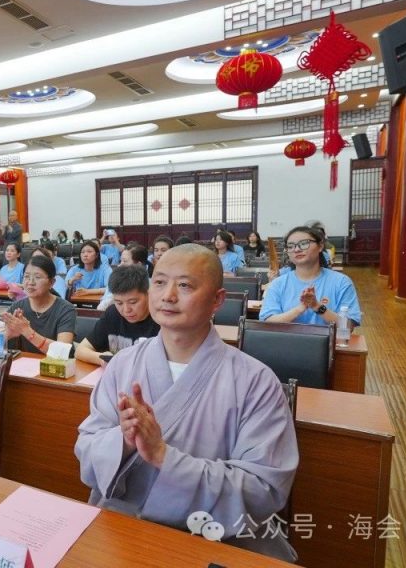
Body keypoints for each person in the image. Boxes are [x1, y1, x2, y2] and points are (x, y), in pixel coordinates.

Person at [75, 244, 299, 561]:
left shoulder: (256, 382)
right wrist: (122, 442)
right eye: (159, 282)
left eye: (184, 285)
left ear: (217, 300)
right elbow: (87, 447)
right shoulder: (122, 365)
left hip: (213, 539)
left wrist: (164, 456)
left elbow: (263, 489)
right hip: (123, 527)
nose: (168, 296)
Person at [260, 226, 362, 327]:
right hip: (287, 342)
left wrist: (317, 306)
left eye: (304, 244)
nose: (296, 249)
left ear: (320, 246)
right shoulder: (278, 284)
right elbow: (267, 322)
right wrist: (299, 309)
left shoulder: (341, 282)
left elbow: (348, 326)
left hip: (329, 343)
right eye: (290, 246)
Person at [0, 255, 76, 354]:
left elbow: (63, 351)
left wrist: (27, 331)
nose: (30, 282)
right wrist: (8, 333)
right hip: (23, 365)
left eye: (37, 277)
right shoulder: (17, 307)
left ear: (52, 282)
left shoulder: (65, 309)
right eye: (27, 276)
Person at [77, 265, 160, 366]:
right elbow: (80, 350)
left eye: (133, 302)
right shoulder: (113, 314)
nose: (126, 310)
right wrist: (101, 359)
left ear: (148, 294)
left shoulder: (161, 319)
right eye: (119, 303)